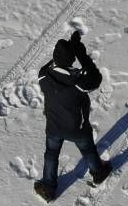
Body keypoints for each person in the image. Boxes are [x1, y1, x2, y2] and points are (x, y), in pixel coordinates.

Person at [34, 30, 113, 197]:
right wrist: (79, 52)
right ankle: (98, 172)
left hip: (54, 126)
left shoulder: (43, 76)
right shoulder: (78, 82)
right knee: (88, 150)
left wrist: (66, 52)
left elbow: (54, 64)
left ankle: (48, 187)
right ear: (71, 60)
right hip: (77, 128)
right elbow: (95, 78)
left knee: (51, 154)